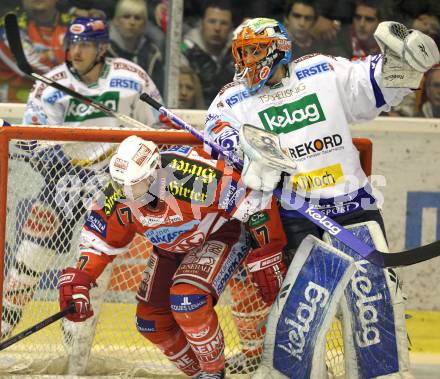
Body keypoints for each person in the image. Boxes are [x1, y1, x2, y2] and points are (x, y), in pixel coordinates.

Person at [204, 17, 439, 376]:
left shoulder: (320, 70)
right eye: (242, 53)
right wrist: (245, 151)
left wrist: (398, 69)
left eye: (254, 51)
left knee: (373, 302)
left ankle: (383, 373)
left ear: (277, 49)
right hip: (296, 215)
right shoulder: (233, 97)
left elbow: (368, 86)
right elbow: (217, 130)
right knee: (303, 310)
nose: (246, 61)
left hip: (354, 205)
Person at [57, 135, 287, 378]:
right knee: (151, 322)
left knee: (188, 300)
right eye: (120, 184)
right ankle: (200, 374)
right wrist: (81, 278)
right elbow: (98, 242)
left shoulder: (194, 177)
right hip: (170, 249)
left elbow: (256, 203)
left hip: (220, 234)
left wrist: (268, 251)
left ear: (155, 172)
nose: (127, 194)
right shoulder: (117, 194)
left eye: (134, 185)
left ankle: (213, 373)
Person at [1, 16, 163, 340]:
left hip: (113, 186)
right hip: (65, 181)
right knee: (28, 259)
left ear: (102, 48)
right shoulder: (51, 83)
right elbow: (35, 141)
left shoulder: (131, 78)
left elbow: (158, 129)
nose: (76, 52)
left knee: (92, 272)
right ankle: (4, 326)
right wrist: (56, 157)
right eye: (72, 44)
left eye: (85, 45)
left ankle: (76, 348)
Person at [0, 0, 72, 102]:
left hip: (66, 105)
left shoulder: (76, 23)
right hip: (16, 109)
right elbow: (32, 69)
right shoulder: (8, 25)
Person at [181, 0, 235, 108]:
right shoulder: (185, 49)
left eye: (224, 23)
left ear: (231, 28)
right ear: (201, 23)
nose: (217, 28)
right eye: (212, 21)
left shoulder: (239, 50)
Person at [108, 0, 165, 94]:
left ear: (144, 24)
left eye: (137, 18)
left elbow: (158, 92)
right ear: (115, 21)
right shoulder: (104, 51)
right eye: (126, 17)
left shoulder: (152, 54)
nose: (132, 22)